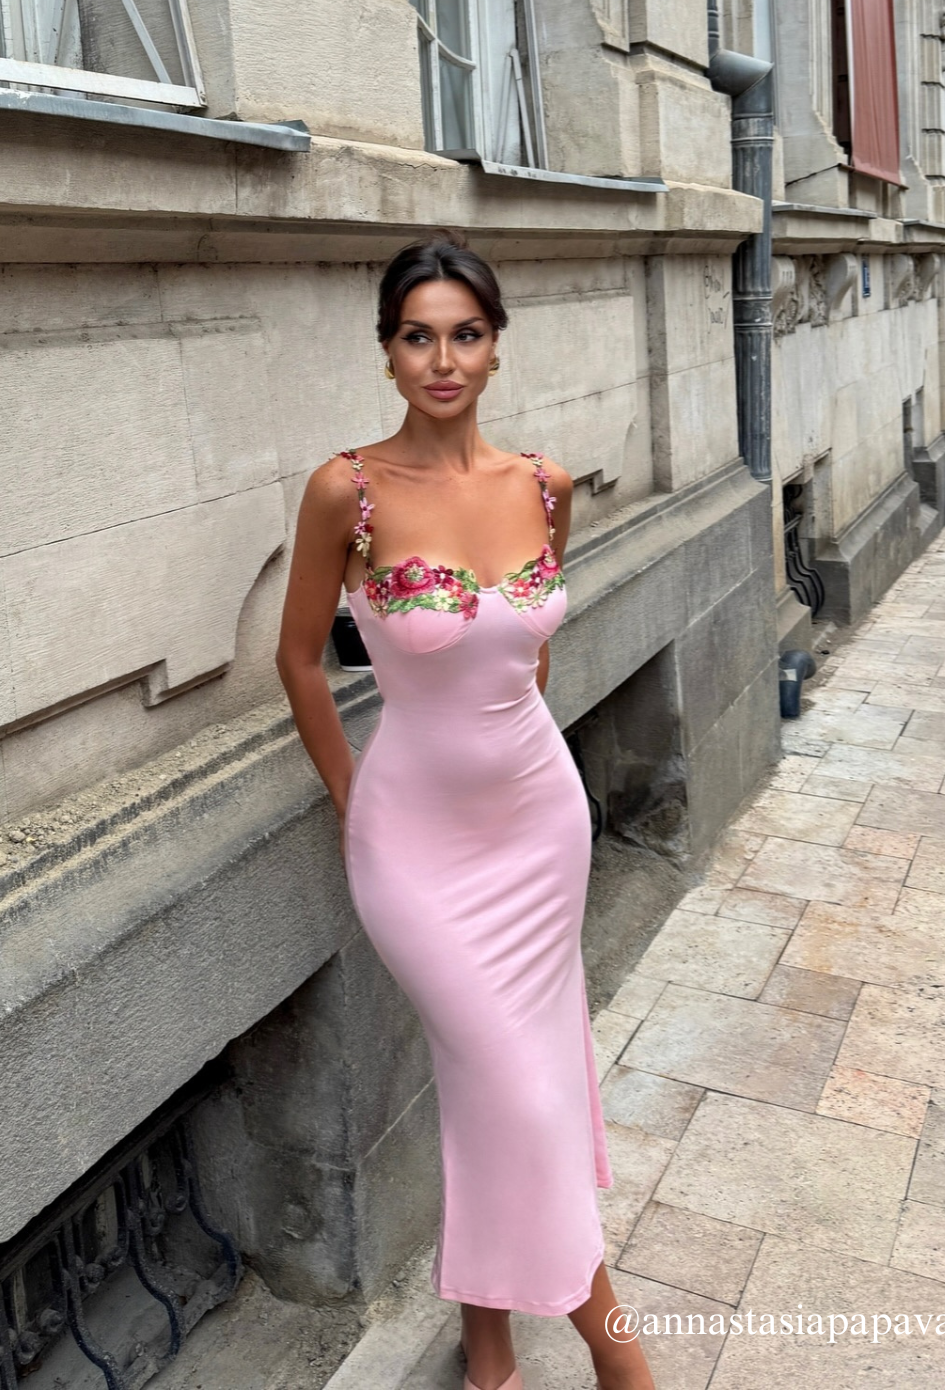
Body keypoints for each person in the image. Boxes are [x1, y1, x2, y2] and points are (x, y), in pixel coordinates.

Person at [275, 233, 656, 1390]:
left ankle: (489, 1341)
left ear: (495, 348)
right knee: (519, 1094)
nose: (442, 358)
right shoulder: (346, 491)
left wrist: (517, 753)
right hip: (413, 843)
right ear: (388, 353)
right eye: (417, 335)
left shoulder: (545, 487)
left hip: (539, 828)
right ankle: (619, 1353)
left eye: (465, 333)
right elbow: (297, 661)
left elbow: (526, 658)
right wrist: (354, 795)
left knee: (501, 1089)